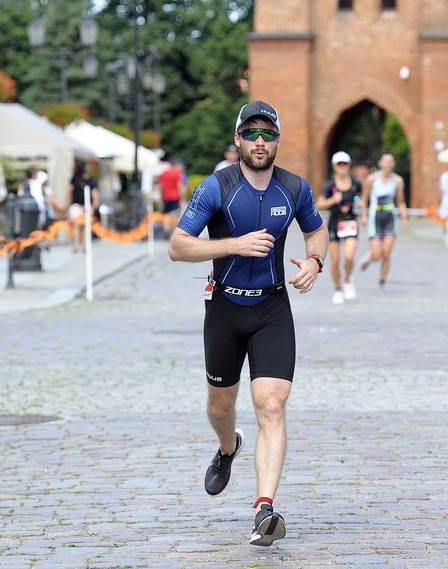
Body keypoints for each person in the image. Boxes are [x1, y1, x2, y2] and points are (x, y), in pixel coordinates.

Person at [167, 100, 327, 546]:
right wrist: (234, 245)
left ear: (278, 140)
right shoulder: (216, 188)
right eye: (251, 134)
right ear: (238, 139)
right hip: (225, 307)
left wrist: (315, 260)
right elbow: (178, 247)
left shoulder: (294, 188)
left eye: (268, 134)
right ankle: (227, 448)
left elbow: (317, 231)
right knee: (221, 406)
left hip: (272, 308)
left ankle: (264, 510)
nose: (260, 142)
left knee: (271, 405)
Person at [317, 151, 362, 304]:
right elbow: (319, 204)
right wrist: (332, 200)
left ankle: (348, 279)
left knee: (349, 257)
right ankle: (337, 288)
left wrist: (363, 209)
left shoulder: (356, 183)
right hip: (335, 223)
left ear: (349, 165)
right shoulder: (330, 185)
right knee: (335, 261)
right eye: (339, 164)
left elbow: (363, 198)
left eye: (345, 164)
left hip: (350, 222)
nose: (342, 167)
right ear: (334, 166)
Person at [359, 151, 409, 291]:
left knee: (386, 253)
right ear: (380, 163)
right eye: (385, 161)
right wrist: (364, 216)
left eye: (390, 161)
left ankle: (382, 281)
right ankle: (370, 258)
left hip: (390, 218)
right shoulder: (372, 179)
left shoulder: (398, 180)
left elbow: (401, 201)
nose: (388, 164)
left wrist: (405, 218)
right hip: (375, 217)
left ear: (393, 164)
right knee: (377, 254)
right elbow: (363, 200)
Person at [66, 160, 99, 253]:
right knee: (76, 225)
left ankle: (85, 246)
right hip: (76, 204)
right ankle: (76, 245)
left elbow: (94, 190)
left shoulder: (90, 179)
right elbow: (69, 191)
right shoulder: (75, 178)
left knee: (85, 226)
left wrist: (96, 201)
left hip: (87, 205)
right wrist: (66, 204)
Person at [157, 158, 187, 236]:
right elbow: (179, 186)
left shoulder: (163, 173)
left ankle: (166, 229)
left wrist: (161, 196)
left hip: (165, 196)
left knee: (165, 214)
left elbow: (161, 186)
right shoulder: (177, 173)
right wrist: (182, 198)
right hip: (175, 197)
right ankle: (172, 232)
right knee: (175, 215)